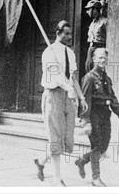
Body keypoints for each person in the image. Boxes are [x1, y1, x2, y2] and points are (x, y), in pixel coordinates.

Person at [34, 20, 88, 187]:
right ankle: (57, 178)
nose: (69, 37)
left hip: (68, 98)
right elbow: (55, 76)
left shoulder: (70, 53)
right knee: (56, 136)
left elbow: (73, 78)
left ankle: (41, 162)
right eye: (66, 33)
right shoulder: (48, 53)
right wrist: (68, 88)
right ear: (58, 33)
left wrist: (81, 97)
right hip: (53, 95)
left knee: (66, 139)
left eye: (70, 34)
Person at [75, 48, 119, 186]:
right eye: (99, 58)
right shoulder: (89, 78)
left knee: (103, 147)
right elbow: (85, 101)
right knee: (97, 145)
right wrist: (86, 121)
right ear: (93, 59)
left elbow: (112, 98)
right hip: (94, 115)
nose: (103, 60)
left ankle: (82, 160)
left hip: (105, 115)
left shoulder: (107, 79)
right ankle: (95, 178)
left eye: (105, 58)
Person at [84, 0, 107, 72]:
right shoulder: (92, 23)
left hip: (100, 48)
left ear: (95, 10)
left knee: (98, 71)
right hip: (91, 49)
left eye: (89, 9)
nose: (87, 12)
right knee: (88, 69)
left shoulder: (105, 22)